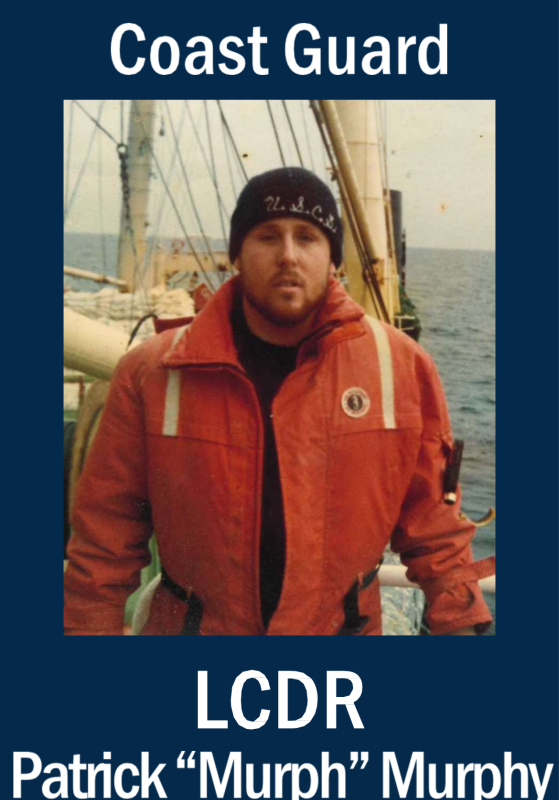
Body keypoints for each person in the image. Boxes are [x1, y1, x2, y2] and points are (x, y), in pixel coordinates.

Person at [64, 167, 493, 636]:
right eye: (267, 236)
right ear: (237, 254)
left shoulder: (401, 368)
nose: (288, 255)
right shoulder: (152, 373)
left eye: (307, 237)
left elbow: (435, 529)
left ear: (333, 258)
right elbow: (104, 543)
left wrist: (462, 625)